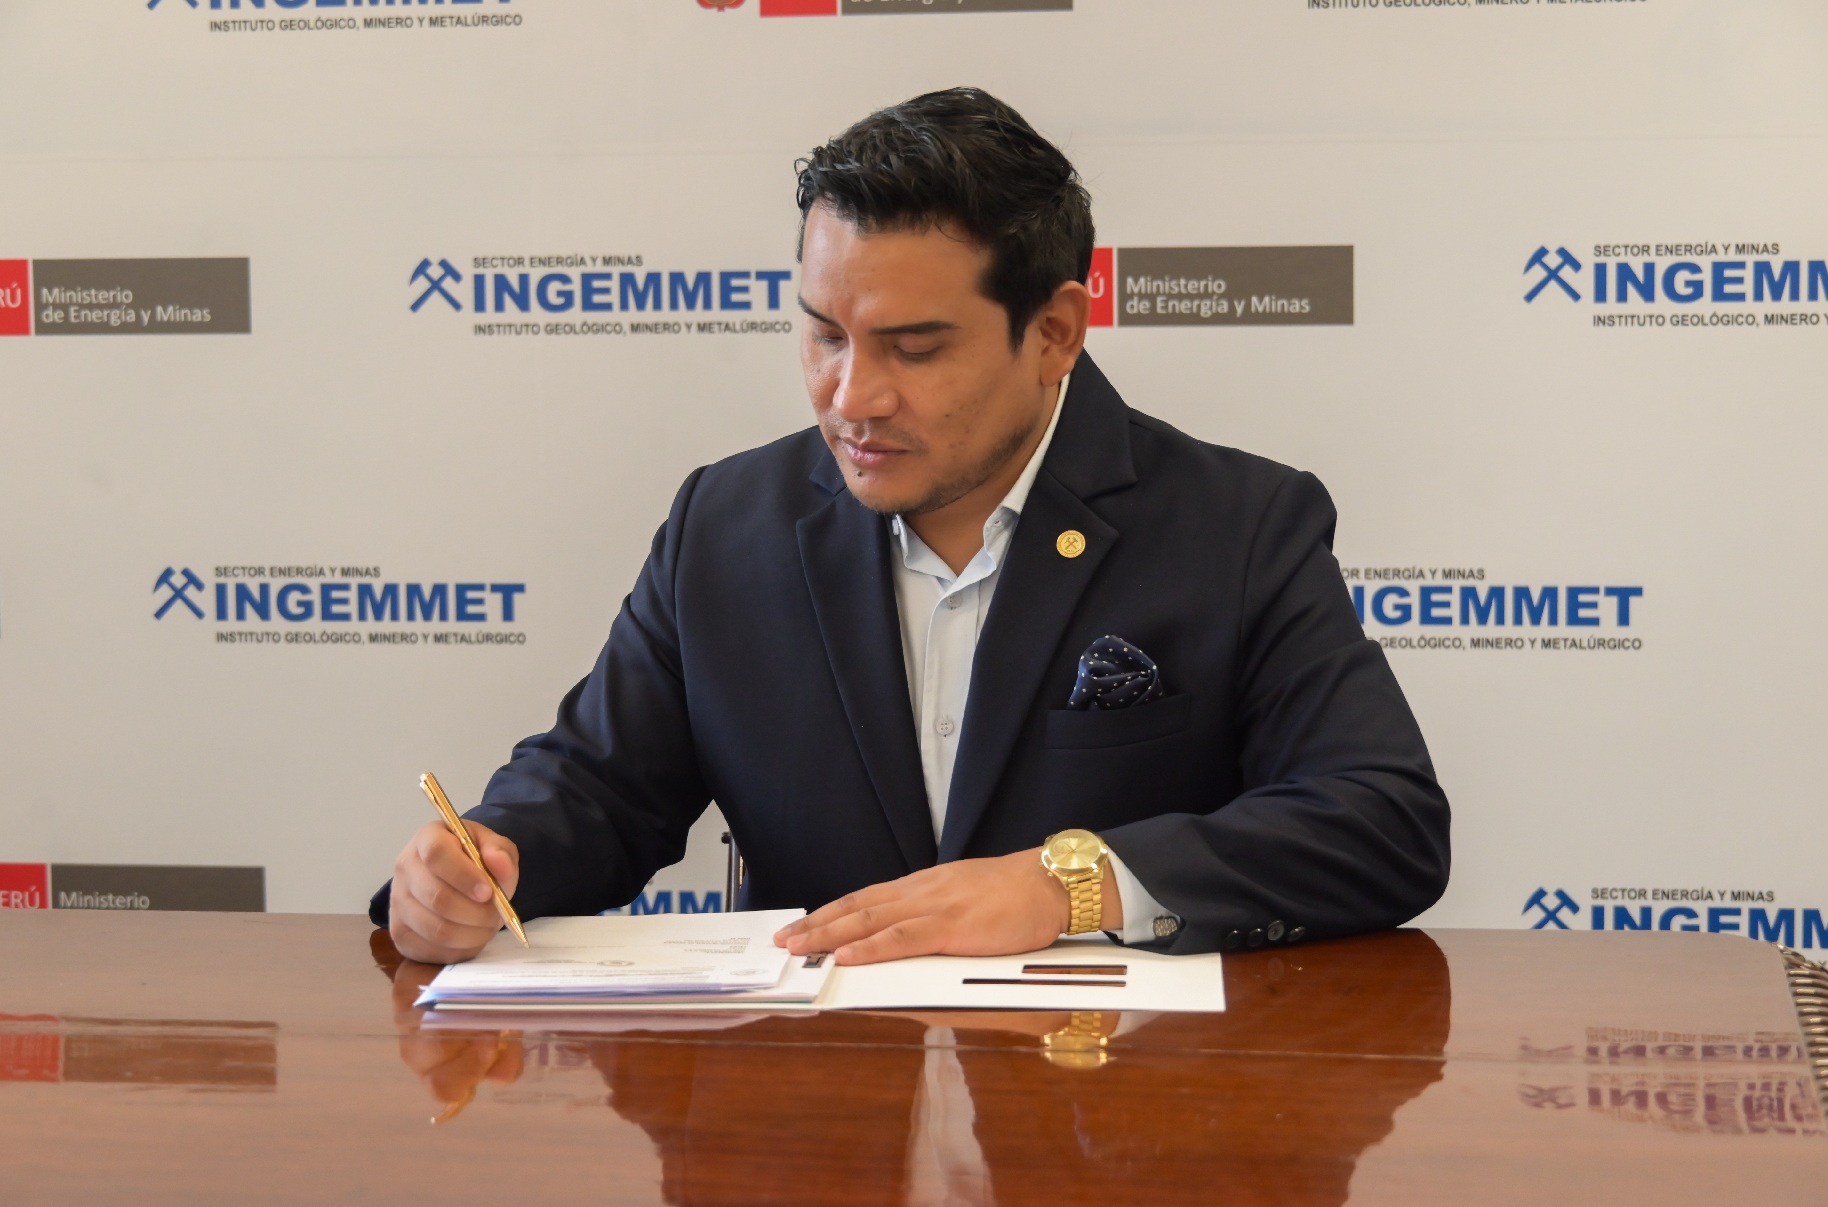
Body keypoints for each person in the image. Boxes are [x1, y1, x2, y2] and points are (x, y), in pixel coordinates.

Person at [372, 87, 1449, 966]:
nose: (853, 397)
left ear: (1054, 332)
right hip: (815, 1110)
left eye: (914, 348)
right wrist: (483, 862)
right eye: (824, 334)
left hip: (1113, 1108)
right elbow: (599, 788)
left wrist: (1065, 885)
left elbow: (1381, 819)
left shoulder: (1238, 525)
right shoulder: (726, 523)